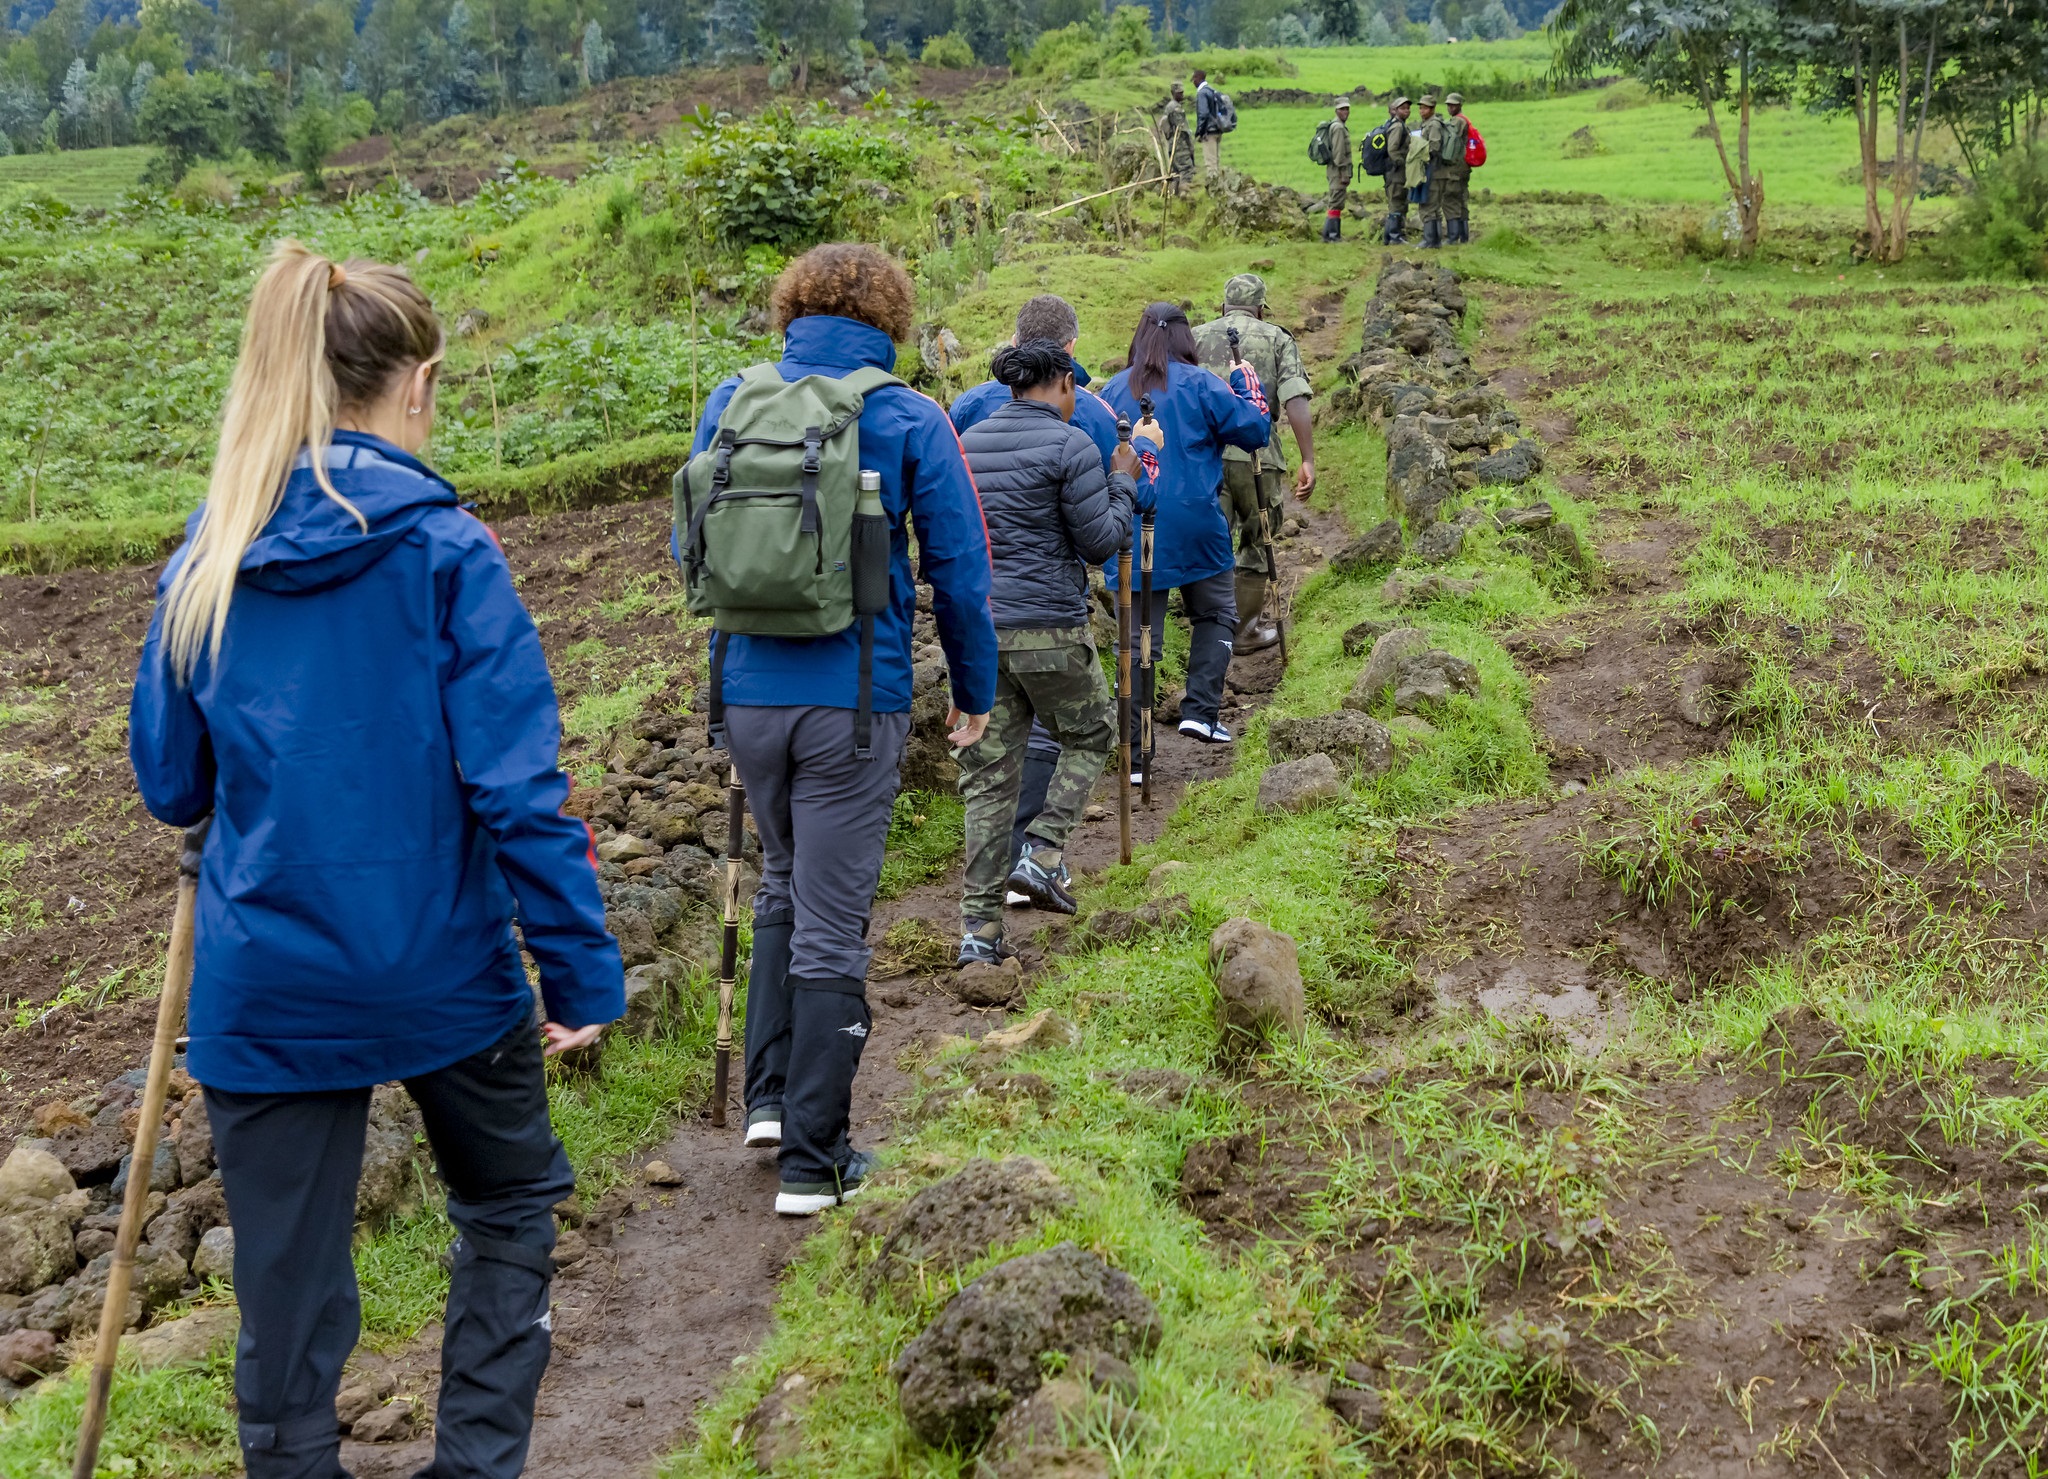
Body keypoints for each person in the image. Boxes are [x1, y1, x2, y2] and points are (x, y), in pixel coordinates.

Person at [129, 241, 624, 1479]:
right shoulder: (447, 550)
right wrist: (579, 972)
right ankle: (474, 1464)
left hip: (264, 983)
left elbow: (172, 784)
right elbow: (516, 791)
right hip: (442, 969)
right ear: (418, 383)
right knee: (507, 1203)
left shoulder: (207, 559)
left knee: (284, 1293)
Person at [684, 243, 997, 1216]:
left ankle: (770, 1101)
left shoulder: (733, 399)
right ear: (889, 320)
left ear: (792, 311)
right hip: (852, 705)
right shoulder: (907, 416)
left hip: (745, 698)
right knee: (832, 919)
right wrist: (974, 689)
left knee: (784, 879)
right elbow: (961, 571)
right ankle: (814, 1164)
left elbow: (690, 543)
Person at [954, 339, 1143, 964]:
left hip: (982, 634)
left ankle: (978, 933)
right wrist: (1124, 480)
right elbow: (1100, 542)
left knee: (988, 779)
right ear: (1063, 383)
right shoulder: (1072, 445)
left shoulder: (969, 443)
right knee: (1092, 733)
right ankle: (1043, 851)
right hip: (1051, 628)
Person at [1099, 302, 1270, 748]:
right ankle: (1201, 712)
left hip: (1131, 523)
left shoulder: (1113, 390)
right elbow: (1254, 431)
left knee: (1136, 639)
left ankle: (1134, 750)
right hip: (1197, 521)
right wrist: (1247, 386)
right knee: (1216, 613)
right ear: (1185, 340)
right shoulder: (1203, 384)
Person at [1192, 273, 1314, 652]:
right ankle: (1244, 629)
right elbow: (1294, 398)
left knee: (1208, 536)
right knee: (1258, 538)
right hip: (1256, 454)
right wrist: (1307, 459)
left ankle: (1206, 625)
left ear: (1222, 307)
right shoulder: (1277, 338)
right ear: (1261, 309)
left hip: (1204, 454)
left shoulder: (1194, 337)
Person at [949, 293, 1119, 469]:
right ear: (1071, 347)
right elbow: (1120, 476)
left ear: (1014, 342)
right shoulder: (1097, 413)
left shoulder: (967, 405)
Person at [1409, 94, 1446, 249]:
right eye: (1421, 108)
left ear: (1432, 109)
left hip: (1432, 169)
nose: (1421, 111)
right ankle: (1435, 240)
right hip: (1429, 168)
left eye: (1425, 108)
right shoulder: (1427, 124)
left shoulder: (1434, 125)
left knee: (1428, 205)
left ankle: (1430, 240)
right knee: (1432, 206)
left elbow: (1434, 147)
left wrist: (1418, 151)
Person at [1436, 93, 1474, 244]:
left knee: (1450, 199)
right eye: (1448, 105)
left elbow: (1449, 143)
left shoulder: (1457, 121)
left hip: (1455, 167)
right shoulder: (1464, 120)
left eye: (1453, 105)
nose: (1450, 107)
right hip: (1463, 166)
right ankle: (1464, 236)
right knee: (1461, 199)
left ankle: (1453, 237)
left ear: (1459, 105)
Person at [1379, 96, 1413, 245]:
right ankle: (1394, 236)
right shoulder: (1397, 127)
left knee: (1398, 203)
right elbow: (1392, 149)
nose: (1406, 111)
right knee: (1396, 203)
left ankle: (1389, 237)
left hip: (1397, 172)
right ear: (1396, 110)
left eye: (1408, 108)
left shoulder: (1401, 125)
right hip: (1396, 172)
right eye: (1403, 108)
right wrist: (1402, 162)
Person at [1322, 97, 1353, 243]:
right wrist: (1344, 173)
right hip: (1338, 171)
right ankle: (1333, 236)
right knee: (1336, 202)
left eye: (1347, 109)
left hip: (1334, 170)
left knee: (1335, 201)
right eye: (1342, 109)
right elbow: (1339, 153)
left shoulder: (1336, 126)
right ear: (1336, 110)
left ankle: (1328, 235)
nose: (1345, 112)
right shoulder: (1338, 128)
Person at [1159, 82, 1196, 195]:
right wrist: (1190, 145)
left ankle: (1173, 194)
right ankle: (1184, 193)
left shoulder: (1169, 108)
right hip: (1180, 144)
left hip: (1172, 144)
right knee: (1186, 168)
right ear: (1173, 93)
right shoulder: (1175, 108)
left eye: (1182, 93)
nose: (1182, 95)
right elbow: (1183, 129)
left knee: (1175, 172)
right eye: (1179, 93)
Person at [1193, 69, 1225, 175]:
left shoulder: (1202, 93)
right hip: (1218, 129)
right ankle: (1218, 182)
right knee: (1216, 161)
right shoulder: (1212, 90)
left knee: (1210, 164)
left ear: (1198, 78)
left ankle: (1213, 183)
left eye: (1194, 79)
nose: (1193, 82)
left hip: (1209, 132)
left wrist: (1200, 131)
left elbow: (1203, 114)